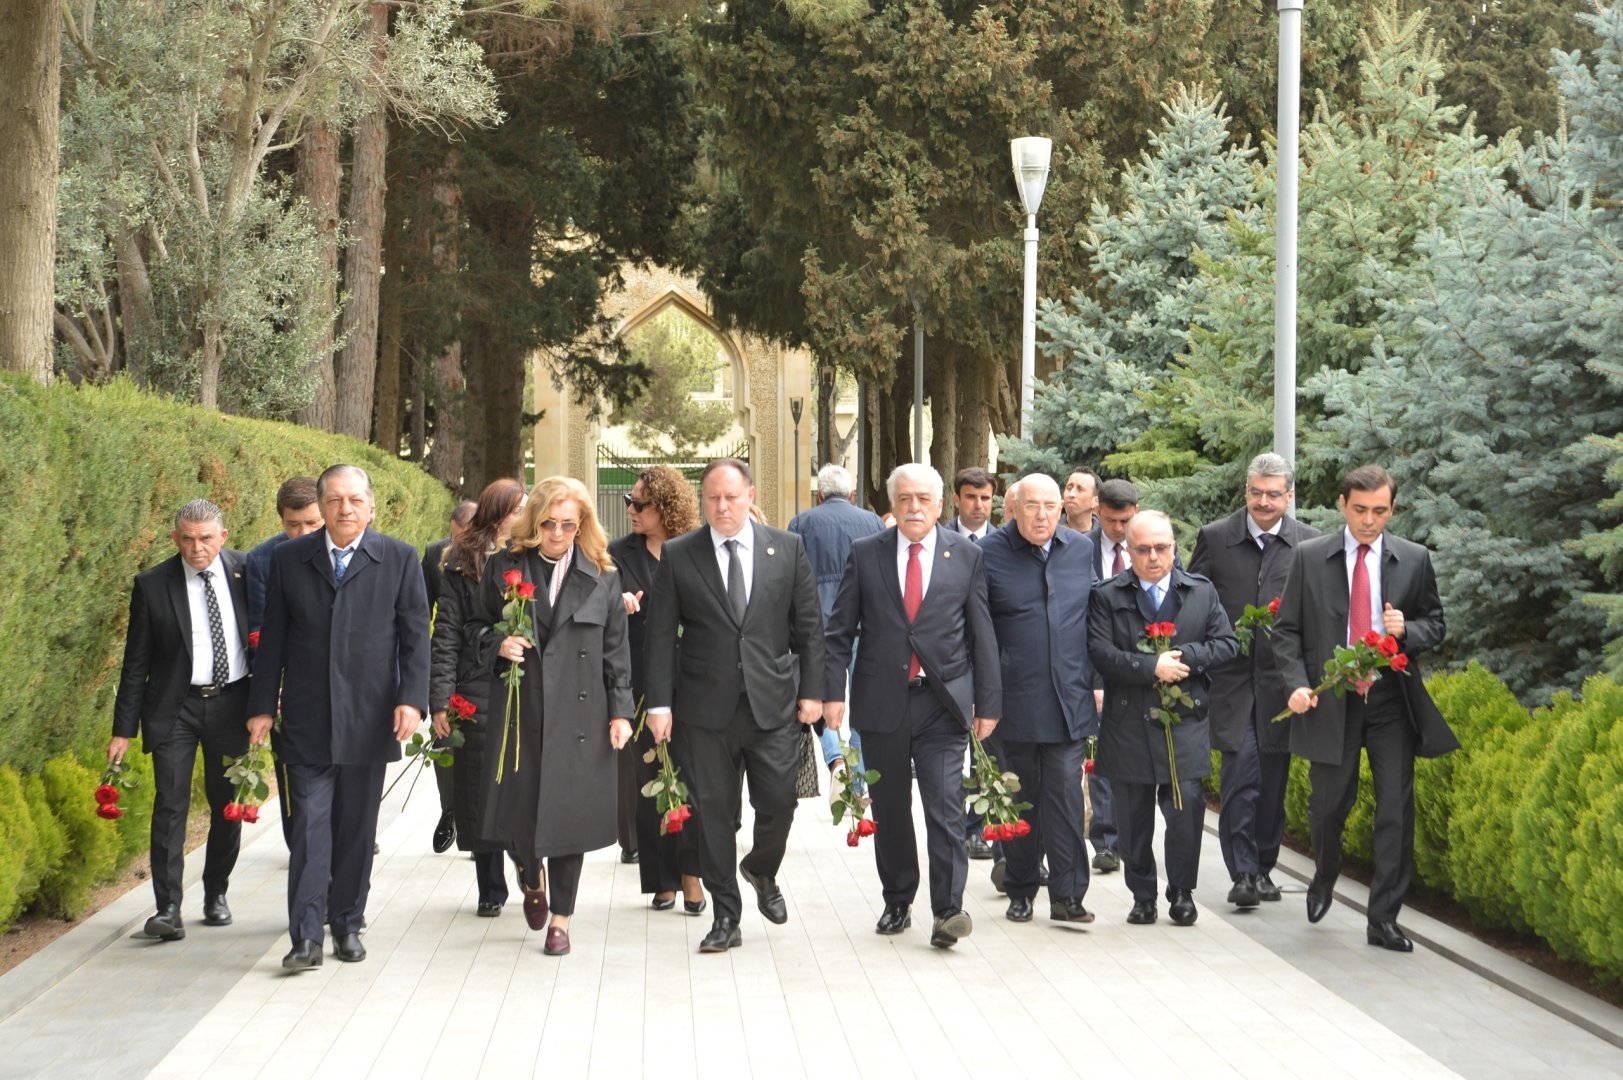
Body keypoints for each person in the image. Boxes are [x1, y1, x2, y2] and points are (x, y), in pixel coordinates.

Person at [248, 464, 431, 971]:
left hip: (371, 718)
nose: (345, 509)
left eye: (355, 500)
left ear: (371, 506)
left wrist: (411, 700)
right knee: (309, 826)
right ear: (322, 506)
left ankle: (347, 923)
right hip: (307, 718)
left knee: (355, 828)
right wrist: (262, 706)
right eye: (334, 500)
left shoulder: (398, 558)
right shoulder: (290, 559)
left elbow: (417, 636)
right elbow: (274, 640)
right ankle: (305, 937)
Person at [644, 458, 826, 954]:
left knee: (779, 804)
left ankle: (761, 869)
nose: (721, 507)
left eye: (730, 497)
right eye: (712, 498)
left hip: (772, 705)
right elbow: (660, 637)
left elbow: (809, 627)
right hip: (703, 711)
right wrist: (659, 703)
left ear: (750, 494)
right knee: (713, 816)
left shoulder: (786, 548)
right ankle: (726, 915)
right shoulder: (681, 555)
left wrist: (814, 692)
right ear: (703, 500)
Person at [1274, 465, 1457, 952]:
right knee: (1328, 806)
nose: (1369, 520)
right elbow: (1286, 630)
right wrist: (1296, 684)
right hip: (1332, 700)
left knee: (1396, 809)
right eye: (1360, 510)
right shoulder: (1311, 557)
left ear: (1392, 509)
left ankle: (1383, 919)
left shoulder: (1414, 559)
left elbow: (1435, 624)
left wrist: (1407, 631)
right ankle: (1324, 874)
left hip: (1391, 700)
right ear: (1342, 505)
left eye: (1380, 511)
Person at [823, 464, 1000, 947]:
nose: (914, 507)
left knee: (944, 808)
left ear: (940, 505)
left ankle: (948, 911)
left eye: (924, 498)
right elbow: (839, 630)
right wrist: (832, 692)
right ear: (892, 504)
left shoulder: (965, 554)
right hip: (882, 703)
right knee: (892, 808)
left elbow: (982, 632)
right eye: (904, 499)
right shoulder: (865, 554)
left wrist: (989, 702)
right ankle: (898, 899)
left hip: (943, 704)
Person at [472, 476, 634, 957]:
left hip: (582, 719)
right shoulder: (505, 567)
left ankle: (561, 919)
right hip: (523, 710)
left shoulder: (603, 573)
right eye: (548, 523)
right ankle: (529, 874)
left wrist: (622, 713)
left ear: (581, 523)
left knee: (570, 819)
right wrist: (497, 644)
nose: (558, 533)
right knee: (520, 812)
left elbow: (616, 651)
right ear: (533, 520)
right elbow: (474, 627)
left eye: (568, 523)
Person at [108, 499, 251, 941]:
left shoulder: (248, 573)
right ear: (175, 539)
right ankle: (167, 907)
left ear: (222, 537)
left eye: (205, 538)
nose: (196, 548)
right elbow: (136, 663)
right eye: (187, 539)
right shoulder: (152, 585)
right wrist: (122, 730)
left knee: (227, 803)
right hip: (175, 708)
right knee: (170, 804)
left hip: (233, 705)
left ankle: (216, 893)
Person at [1088, 510, 1238, 928]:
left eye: (1162, 547)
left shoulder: (1200, 591)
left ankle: (1183, 891)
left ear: (1174, 547)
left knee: (1186, 808)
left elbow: (1226, 645)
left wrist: (1186, 658)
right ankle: (1143, 895)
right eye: (1143, 549)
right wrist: (1150, 666)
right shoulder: (1107, 595)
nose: (1154, 557)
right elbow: (1100, 653)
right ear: (1129, 551)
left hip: (1183, 719)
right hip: (1128, 721)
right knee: (1133, 817)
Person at [1188, 453, 1320, 908]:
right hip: (1231, 684)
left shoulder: (1309, 544)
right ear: (1246, 492)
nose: (1264, 503)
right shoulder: (1216, 538)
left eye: (1273, 494)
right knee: (1240, 778)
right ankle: (1242, 873)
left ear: (1290, 496)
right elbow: (1193, 603)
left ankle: (1264, 867)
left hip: (1284, 689)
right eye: (1256, 493)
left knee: (1273, 784)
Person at [979, 473, 1100, 924]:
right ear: (1014, 507)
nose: (1043, 515)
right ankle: (1022, 887)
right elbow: (978, 631)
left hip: (1069, 700)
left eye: (1052, 505)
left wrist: (1096, 679)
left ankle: (1069, 896)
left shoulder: (1080, 549)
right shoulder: (988, 554)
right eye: (1033, 505)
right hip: (1012, 703)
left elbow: (1093, 618)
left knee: (1067, 800)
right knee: (1019, 799)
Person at [608, 466, 706, 915]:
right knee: (649, 781)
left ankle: (692, 875)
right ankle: (661, 880)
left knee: (692, 782)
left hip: (693, 682)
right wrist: (617, 604)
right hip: (640, 683)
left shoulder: (695, 550)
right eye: (630, 501)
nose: (631, 509)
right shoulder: (616, 554)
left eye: (640, 504)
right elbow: (599, 608)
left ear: (665, 507)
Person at [428, 480, 526, 918]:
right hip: (476, 683)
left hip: (526, 683)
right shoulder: (461, 561)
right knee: (478, 788)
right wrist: (440, 699)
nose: (525, 513)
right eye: (519, 507)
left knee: (524, 780)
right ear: (499, 512)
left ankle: (529, 863)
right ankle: (491, 885)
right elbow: (446, 633)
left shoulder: (537, 552)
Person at [788, 463, 884, 789]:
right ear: (852, 494)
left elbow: (791, 575)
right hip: (863, 625)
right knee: (863, 702)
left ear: (819, 494)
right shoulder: (871, 521)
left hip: (815, 626)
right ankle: (856, 783)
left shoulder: (802, 522)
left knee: (819, 696)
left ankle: (835, 759)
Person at [1084, 477, 1141, 875]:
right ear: (1096, 512)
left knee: (1131, 759)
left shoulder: (1153, 548)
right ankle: (1105, 841)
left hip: (1139, 669)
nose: (1119, 529)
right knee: (1099, 757)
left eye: (1126, 520)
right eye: (1110, 520)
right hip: (1094, 668)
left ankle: (1129, 836)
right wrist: (1093, 680)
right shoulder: (1077, 551)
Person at [425, 499, 477, 856]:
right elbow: (418, 609)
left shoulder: (505, 556)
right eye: (457, 539)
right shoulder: (434, 555)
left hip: (489, 666)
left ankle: (480, 830)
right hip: (446, 663)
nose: (461, 547)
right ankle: (451, 809)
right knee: (445, 745)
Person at [245, 477, 323, 633]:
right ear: (282, 521)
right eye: (293, 525)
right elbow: (260, 627)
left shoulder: (348, 549)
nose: (304, 533)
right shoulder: (261, 559)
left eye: (312, 523)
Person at [946, 466, 996, 542]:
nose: (978, 505)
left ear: (992, 500)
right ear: (956, 500)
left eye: (984, 498)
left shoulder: (1003, 544)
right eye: (971, 497)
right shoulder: (938, 540)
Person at [1063, 467, 1101, 534]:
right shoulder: (1050, 533)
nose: (1071, 494)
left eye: (1080, 489)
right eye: (1069, 488)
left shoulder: (1103, 538)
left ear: (1095, 501)